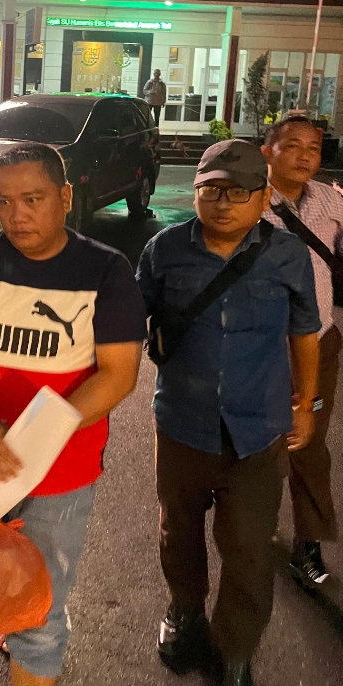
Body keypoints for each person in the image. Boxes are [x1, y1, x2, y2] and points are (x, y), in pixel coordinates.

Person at [0, 142, 147, 686]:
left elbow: (119, 374)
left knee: (41, 608)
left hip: (63, 466)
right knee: (3, 570)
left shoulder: (105, 269)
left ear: (65, 196)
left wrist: (37, 437)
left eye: (32, 199)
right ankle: (14, 625)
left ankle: (31, 642)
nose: (16, 215)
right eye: (4, 201)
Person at [136, 140, 320, 686]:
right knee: (178, 533)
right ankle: (185, 610)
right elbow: (123, 322)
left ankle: (235, 647)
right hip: (181, 425)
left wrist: (306, 404)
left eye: (238, 193)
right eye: (211, 190)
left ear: (263, 197)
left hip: (258, 432)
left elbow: (304, 332)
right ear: (196, 192)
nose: (223, 203)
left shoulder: (287, 256)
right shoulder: (164, 250)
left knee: (249, 548)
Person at [262, 115, 343, 585]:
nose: (305, 156)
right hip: (261, 345)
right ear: (268, 150)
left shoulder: (331, 200)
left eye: (313, 147)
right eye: (292, 145)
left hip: (320, 341)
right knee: (261, 441)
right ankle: (255, 521)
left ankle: (308, 540)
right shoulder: (247, 199)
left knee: (308, 439)